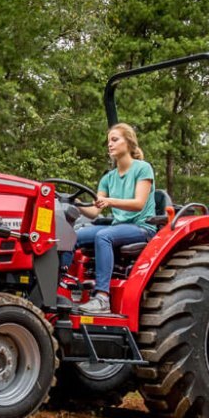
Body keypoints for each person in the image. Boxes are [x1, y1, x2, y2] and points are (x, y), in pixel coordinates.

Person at [69, 123, 156, 314]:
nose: (110, 144)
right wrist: (75, 203)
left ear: (129, 143)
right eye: (108, 141)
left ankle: (102, 298)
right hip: (119, 227)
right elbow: (94, 211)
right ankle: (62, 287)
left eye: (115, 140)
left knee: (103, 236)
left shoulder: (143, 168)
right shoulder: (108, 178)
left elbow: (138, 203)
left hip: (141, 227)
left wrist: (108, 201)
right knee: (72, 236)